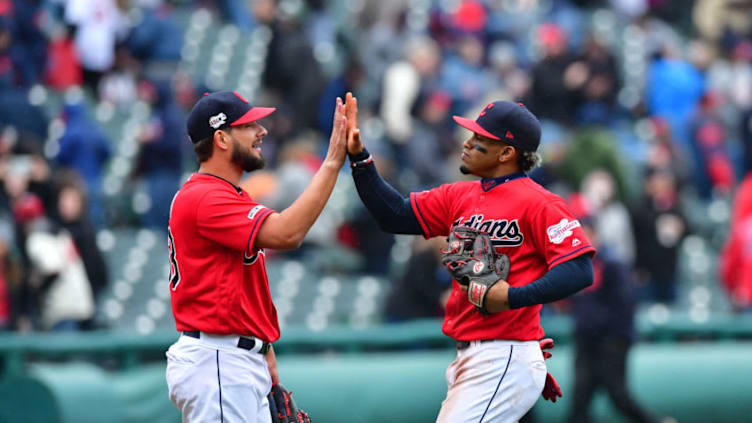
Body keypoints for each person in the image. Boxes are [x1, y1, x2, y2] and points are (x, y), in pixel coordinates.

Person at [344, 93, 595, 422]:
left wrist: (513, 297)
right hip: (473, 355)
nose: (467, 142)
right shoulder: (458, 196)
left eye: (480, 138)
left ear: (507, 153)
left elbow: (579, 269)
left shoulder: (540, 203)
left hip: (503, 352)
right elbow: (393, 215)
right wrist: (360, 160)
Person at [165, 91, 347, 422]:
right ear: (221, 138)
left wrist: (264, 349)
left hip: (233, 357)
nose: (261, 131)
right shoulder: (206, 197)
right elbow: (286, 234)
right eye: (248, 125)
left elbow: (238, 287)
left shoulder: (228, 195)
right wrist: (333, 161)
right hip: (218, 360)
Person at [567, 217, 666, 423]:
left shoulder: (612, 264)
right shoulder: (575, 266)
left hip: (611, 342)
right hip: (586, 341)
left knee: (618, 396)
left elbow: (624, 305)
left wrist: (608, 333)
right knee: (580, 400)